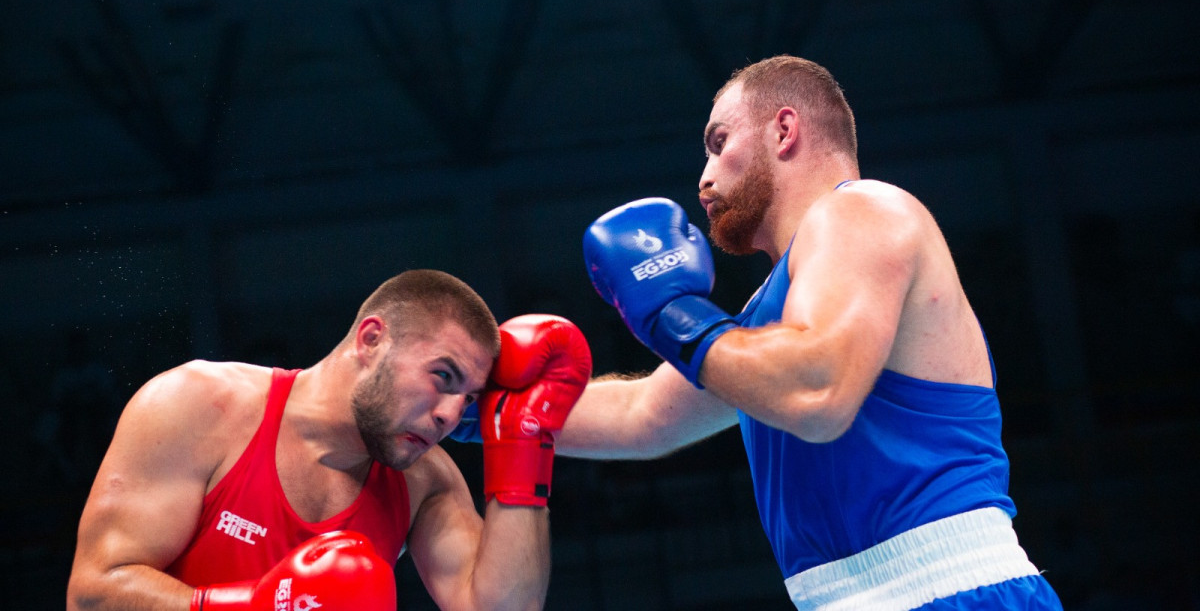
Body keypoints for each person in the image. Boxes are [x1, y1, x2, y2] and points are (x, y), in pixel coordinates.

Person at [570, 55, 1063, 609]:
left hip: (951, 587)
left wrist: (671, 316)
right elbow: (642, 416)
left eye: (719, 141)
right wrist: (480, 405)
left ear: (784, 129)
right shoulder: (762, 326)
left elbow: (818, 391)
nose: (703, 178)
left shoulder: (864, 210)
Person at [67, 269, 592, 611]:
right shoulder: (201, 405)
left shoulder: (424, 481)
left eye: (470, 398)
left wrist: (525, 452)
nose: (451, 416)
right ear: (371, 340)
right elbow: (93, 594)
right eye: (444, 376)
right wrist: (259, 606)